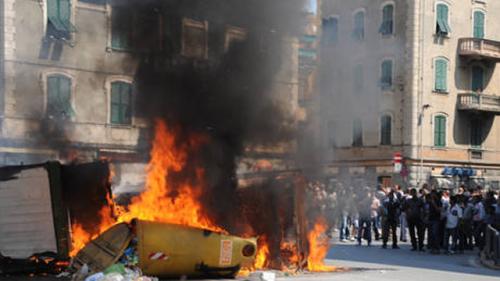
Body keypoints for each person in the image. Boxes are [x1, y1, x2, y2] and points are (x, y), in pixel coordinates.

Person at [428, 190, 442, 254]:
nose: (431, 195)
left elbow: (439, 210)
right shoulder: (430, 201)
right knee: (431, 234)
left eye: (432, 194)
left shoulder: (438, 201)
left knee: (435, 234)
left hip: (436, 219)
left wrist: (434, 204)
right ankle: (432, 247)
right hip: (431, 218)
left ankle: (437, 248)